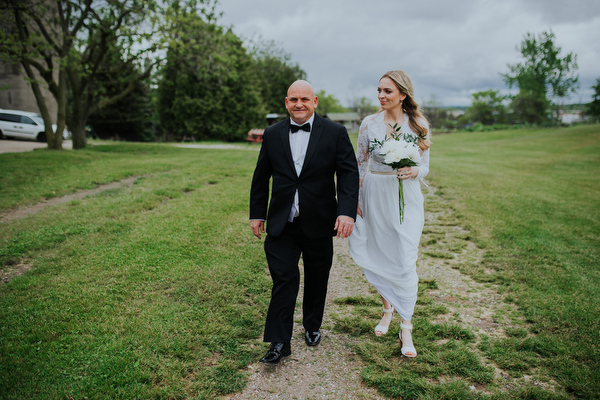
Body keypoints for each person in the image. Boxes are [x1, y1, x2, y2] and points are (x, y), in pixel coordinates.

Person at [250, 80, 359, 364]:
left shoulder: (335, 133)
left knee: (317, 276)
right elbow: (261, 176)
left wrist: (345, 212)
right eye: (294, 99)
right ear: (286, 102)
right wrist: (257, 213)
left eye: (305, 99)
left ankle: (312, 325)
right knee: (284, 278)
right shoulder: (272, 134)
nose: (299, 104)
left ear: (315, 102)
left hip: (320, 220)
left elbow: (348, 174)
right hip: (281, 222)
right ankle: (279, 341)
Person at [349, 70, 431, 358]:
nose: (381, 96)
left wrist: (415, 170)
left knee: (405, 257)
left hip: (405, 196)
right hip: (374, 193)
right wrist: (356, 200)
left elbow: (426, 166)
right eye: (379, 91)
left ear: (403, 94)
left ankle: (406, 325)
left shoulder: (418, 124)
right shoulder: (369, 124)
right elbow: (359, 163)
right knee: (380, 254)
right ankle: (387, 310)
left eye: (388, 91)